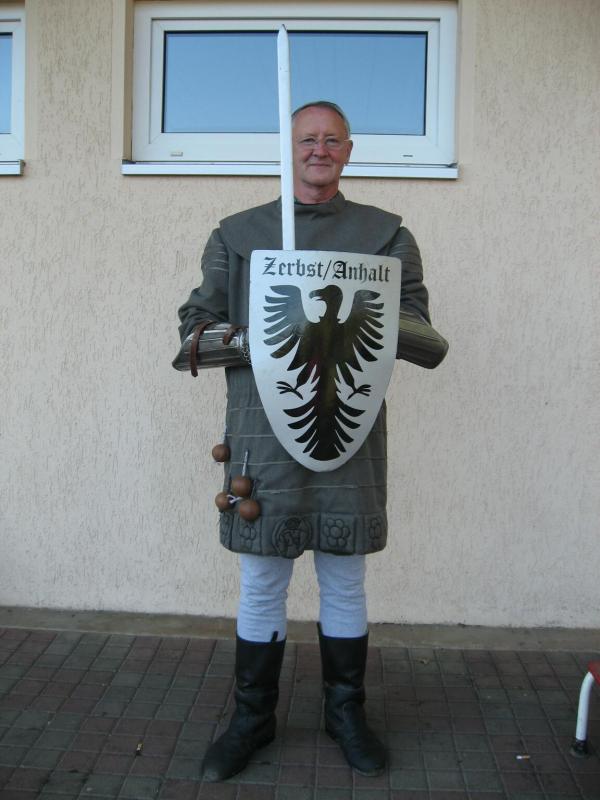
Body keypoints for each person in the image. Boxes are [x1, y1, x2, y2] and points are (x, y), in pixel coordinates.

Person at [176, 101, 448, 782]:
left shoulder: (386, 236)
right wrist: (263, 338)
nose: (318, 150)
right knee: (262, 580)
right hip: (261, 435)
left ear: (348, 151)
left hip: (348, 430)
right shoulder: (237, 235)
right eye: (307, 140)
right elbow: (194, 333)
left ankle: (345, 713)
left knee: (345, 577)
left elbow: (423, 337)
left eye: (331, 140)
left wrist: (371, 319)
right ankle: (252, 717)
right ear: (288, 148)